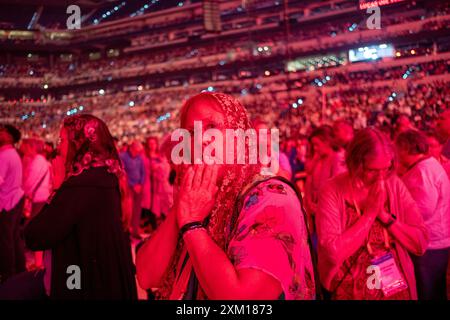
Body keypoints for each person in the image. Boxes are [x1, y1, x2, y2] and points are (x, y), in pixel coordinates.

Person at [136, 92, 316, 300]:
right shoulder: (199, 196)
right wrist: (183, 206)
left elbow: (242, 300)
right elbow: (146, 276)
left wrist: (192, 226)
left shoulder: (272, 197)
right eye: (191, 133)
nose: (202, 140)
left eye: (212, 128)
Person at [22, 114, 137, 299]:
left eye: (62, 140)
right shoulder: (109, 177)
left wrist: (59, 188)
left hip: (81, 285)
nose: (58, 147)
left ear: (78, 144)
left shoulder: (80, 186)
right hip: (109, 284)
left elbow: (35, 236)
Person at [316, 127, 429, 300]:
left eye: (386, 168)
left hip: (392, 284)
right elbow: (332, 253)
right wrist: (369, 214)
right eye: (372, 170)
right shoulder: (332, 190)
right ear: (355, 162)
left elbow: (420, 242)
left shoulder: (394, 184)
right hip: (349, 289)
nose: (381, 178)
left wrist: (385, 217)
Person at [395, 130, 450, 300]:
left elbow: (422, 211)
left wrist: (393, 217)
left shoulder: (423, 171)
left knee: (428, 290)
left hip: (430, 244)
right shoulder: (426, 166)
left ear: (405, 148)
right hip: (433, 241)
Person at [304, 126, 346, 234]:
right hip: (317, 212)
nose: (315, 148)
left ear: (327, 142)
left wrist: (320, 207)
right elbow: (309, 175)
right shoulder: (320, 159)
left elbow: (338, 188)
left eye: (317, 144)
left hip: (330, 214)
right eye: (313, 145)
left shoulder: (337, 158)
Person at [20, 138, 52, 269]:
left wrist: (23, 194)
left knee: (37, 230)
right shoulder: (41, 161)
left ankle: (39, 263)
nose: (24, 150)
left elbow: (29, 182)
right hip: (41, 197)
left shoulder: (38, 161)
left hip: (39, 198)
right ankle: (39, 262)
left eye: (26, 147)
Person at [0, 124, 26, 284]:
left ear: (9, 136)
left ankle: (7, 276)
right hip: (15, 200)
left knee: (5, 241)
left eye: (2, 131)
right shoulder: (12, 153)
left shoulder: (4, 155)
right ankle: (19, 273)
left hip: (7, 203)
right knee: (14, 240)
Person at [141, 136, 172, 232]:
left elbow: (167, 167)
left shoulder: (160, 156)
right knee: (150, 207)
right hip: (147, 185)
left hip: (159, 186)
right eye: (149, 144)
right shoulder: (143, 157)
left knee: (160, 206)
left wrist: (159, 167)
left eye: (153, 143)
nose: (151, 146)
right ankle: (154, 228)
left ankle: (161, 229)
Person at [120, 140, 145, 239]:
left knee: (137, 210)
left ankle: (135, 231)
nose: (138, 153)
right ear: (131, 148)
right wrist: (132, 185)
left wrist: (140, 184)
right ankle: (126, 231)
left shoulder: (139, 158)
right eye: (136, 151)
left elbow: (143, 172)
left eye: (139, 151)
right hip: (128, 187)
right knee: (128, 211)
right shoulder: (123, 157)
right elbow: (123, 173)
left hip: (138, 188)